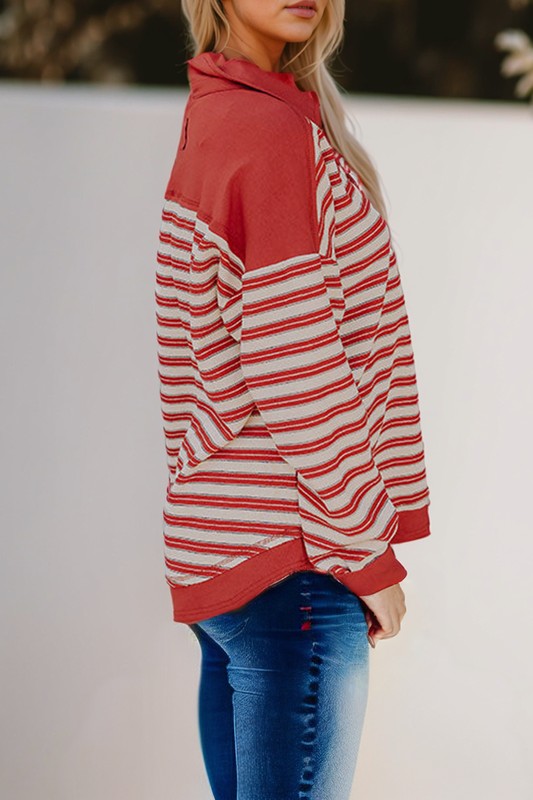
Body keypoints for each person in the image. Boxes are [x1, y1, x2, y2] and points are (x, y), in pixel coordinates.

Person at [154, 1, 432, 797]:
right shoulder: (267, 130)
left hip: (231, 558)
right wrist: (365, 555)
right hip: (294, 562)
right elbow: (292, 364)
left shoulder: (222, 113)